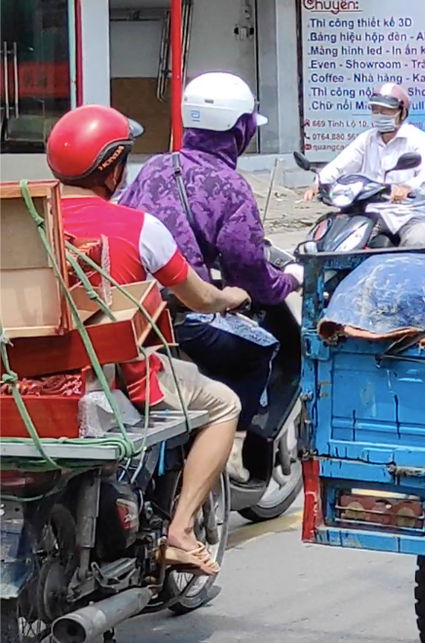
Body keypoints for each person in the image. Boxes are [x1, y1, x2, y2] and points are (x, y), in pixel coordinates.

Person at [46, 104, 250, 576]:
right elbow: (197, 298)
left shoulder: (20, 219)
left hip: (22, 382)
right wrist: (229, 297)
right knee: (222, 404)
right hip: (107, 379)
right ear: (113, 168)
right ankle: (179, 531)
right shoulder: (138, 227)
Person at [120, 72, 303, 482]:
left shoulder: (153, 167)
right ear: (240, 130)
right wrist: (287, 281)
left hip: (136, 314)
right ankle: (232, 445)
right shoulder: (230, 187)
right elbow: (250, 275)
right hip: (189, 319)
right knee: (264, 348)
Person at [304, 83, 425, 247]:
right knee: (346, 240)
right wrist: (319, 182)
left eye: (386, 111)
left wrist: (408, 187)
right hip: (376, 212)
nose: (379, 115)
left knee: (413, 248)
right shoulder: (367, 139)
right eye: (375, 110)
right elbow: (342, 163)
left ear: (402, 112)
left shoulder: (419, 140)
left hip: (412, 213)